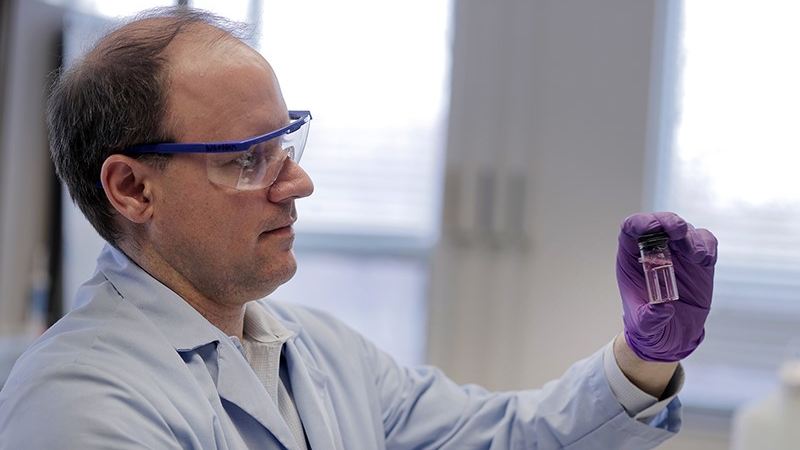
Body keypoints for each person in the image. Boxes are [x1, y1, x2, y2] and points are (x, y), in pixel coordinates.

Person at [0, 7, 718, 449]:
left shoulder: (317, 350)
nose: (297, 183)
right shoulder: (79, 400)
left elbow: (504, 438)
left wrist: (643, 355)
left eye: (286, 144)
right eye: (247, 158)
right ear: (132, 189)